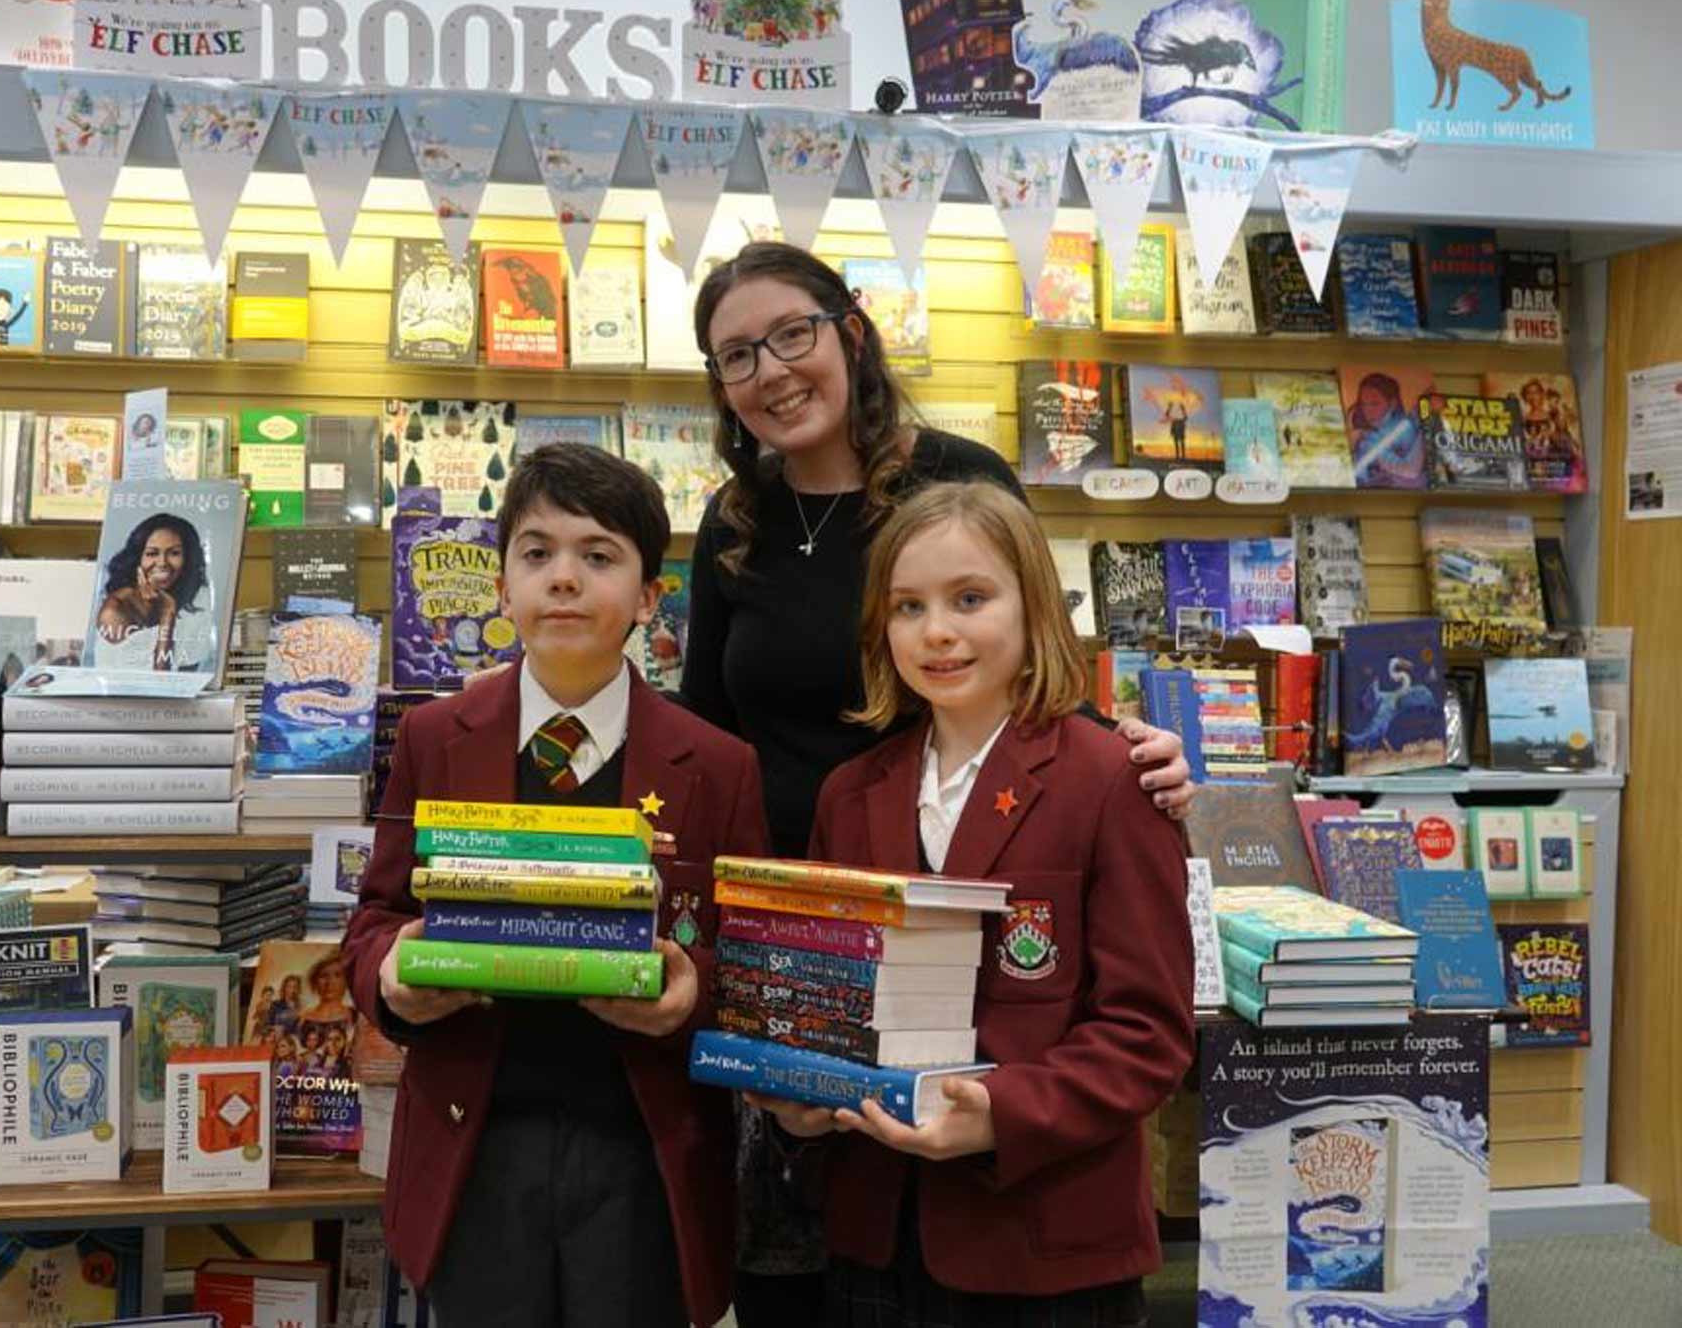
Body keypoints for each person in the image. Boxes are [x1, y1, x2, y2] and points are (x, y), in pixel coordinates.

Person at [681, 242, 1195, 1324]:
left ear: (849, 330)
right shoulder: (731, 526)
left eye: (791, 334)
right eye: (736, 354)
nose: (770, 369)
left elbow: (1137, 1022)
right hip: (805, 949)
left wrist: (1127, 752)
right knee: (802, 1278)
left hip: (1009, 999)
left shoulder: (956, 480)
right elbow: (704, 729)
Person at [342, 443, 772, 1328]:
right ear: (503, 588)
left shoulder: (719, 766)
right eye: (537, 554)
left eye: (599, 555)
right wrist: (394, 978)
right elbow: (376, 920)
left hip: (644, 1153)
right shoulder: (434, 737)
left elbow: (751, 964)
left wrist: (692, 994)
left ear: (654, 598)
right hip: (476, 1146)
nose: (564, 579)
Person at [754, 480, 1194, 1326]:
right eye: (908, 607)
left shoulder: (1111, 781)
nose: (939, 631)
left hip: (1046, 1239)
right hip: (877, 1233)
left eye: (970, 598)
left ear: (1033, 608)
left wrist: (1001, 1114)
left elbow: (1148, 1033)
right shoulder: (852, 795)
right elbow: (813, 1001)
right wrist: (793, 1099)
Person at [93, 512, 213, 672]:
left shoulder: (197, 597)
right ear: (137, 558)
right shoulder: (115, 609)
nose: (162, 563)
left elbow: (189, 676)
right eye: (152, 553)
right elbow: (157, 683)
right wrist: (167, 614)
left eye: (174, 553)